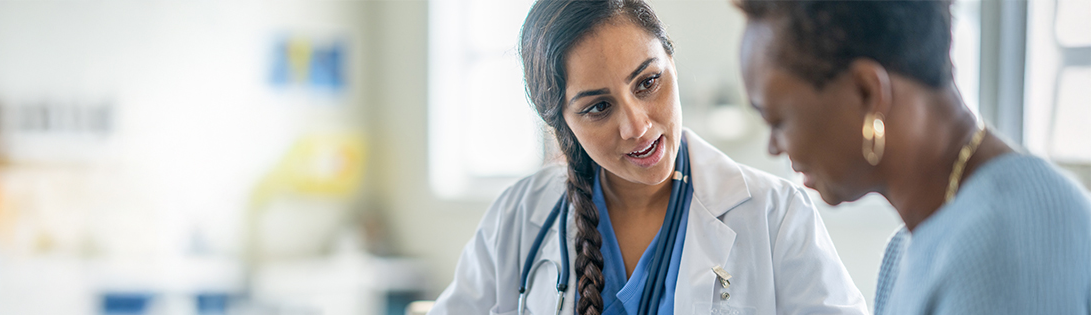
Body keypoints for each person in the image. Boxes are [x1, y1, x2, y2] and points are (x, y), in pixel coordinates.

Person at [429, 1, 867, 314]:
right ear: (562, 124)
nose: (636, 126)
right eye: (598, 107)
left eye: (648, 82)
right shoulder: (519, 217)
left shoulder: (774, 214)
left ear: (671, 62)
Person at [736, 1, 1091, 314]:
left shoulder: (1012, 236)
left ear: (868, 93)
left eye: (778, 121)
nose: (774, 147)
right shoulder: (905, 248)